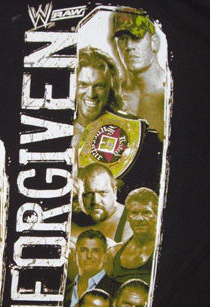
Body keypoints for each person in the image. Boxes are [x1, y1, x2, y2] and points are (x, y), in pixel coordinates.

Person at [74, 47, 162, 200]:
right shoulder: (49, 131)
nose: (91, 94)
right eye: (83, 85)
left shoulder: (140, 137)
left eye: (99, 86)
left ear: (111, 89)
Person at [112, 8, 166, 141]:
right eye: (123, 38)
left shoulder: (172, 92)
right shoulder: (109, 94)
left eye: (136, 37)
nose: (129, 46)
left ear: (154, 43)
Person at [106, 187, 158, 285]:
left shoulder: (166, 250)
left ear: (157, 215)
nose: (139, 219)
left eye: (146, 212)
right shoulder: (113, 253)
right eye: (134, 213)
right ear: (128, 217)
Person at [71, 163, 132, 243]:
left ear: (114, 191)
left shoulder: (131, 222)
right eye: (88, 194)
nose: (96, 200)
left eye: (102, 192)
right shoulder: (77, 216)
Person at [64, 230, 118, 307]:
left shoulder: (117, 291)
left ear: (105, 257)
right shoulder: (64, 290)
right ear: (75, 256)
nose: (89, 255)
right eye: (83, 250)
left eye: (96, 251)